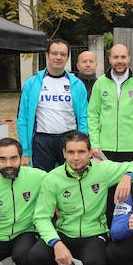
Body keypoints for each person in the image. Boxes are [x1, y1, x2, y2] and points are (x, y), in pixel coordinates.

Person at [28, 131, 133, 265]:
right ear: (64, 154)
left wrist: (127, 177)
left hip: (94, 233)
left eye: (81, 152)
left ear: (90, 153)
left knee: (96, 264)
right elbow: (41, 217)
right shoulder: (52, 178)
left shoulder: (102, 170)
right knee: (35, 256)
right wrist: (56, 242)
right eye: (71, 152)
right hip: (64, 233)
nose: (76, 157)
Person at [17, 39, 89, 170]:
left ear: (67, 57)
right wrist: (26, 150)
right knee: (43, 182)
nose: (58, 57)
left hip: (70, 139)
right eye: (54, 53)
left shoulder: (77, 84)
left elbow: (83, 117)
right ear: (47, 55)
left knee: (71, 181)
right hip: (42, 141)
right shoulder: (32, 83)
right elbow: (23, 119)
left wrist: (84, 144)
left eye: (63, 54)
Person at [88, 44, 133, 163]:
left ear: (129, 58)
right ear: (110, 59)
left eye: (123, 57)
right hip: (103, 148)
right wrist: (94, 144)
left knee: (130, 181)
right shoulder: (100, 83)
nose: (119, 61)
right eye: (116, 57)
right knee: (105, 182)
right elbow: (93, 115)